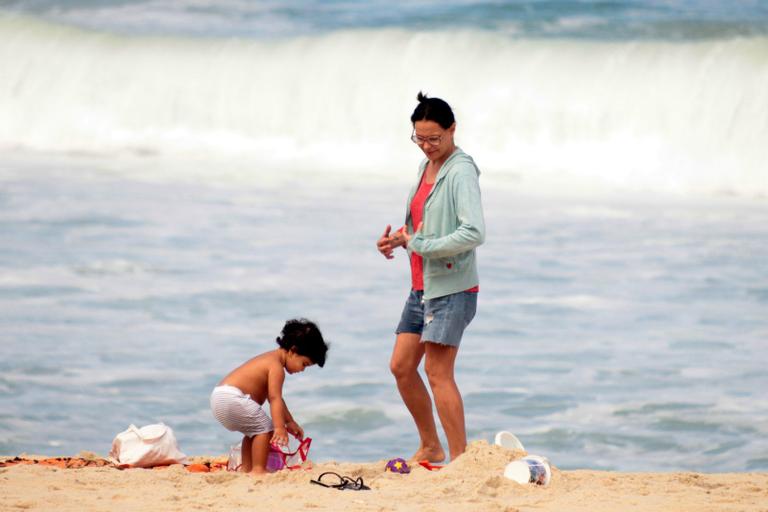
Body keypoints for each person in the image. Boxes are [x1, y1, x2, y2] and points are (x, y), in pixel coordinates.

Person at [377, 92, 485, 463]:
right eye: (419, 138)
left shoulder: (461, 171)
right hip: (421, 287)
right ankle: (430, 445)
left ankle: (460, 459)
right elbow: (422, 226)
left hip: (453, 288)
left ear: (453, 129)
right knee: (402, 367)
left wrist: (419, 242)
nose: (426, 146)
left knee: (438, 372)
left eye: (434, 138)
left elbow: (474, 232)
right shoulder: (426, 167)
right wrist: (399, 239)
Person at [210, 318, 328, 474]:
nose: (302, 370)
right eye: (304, 364)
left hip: (219, 397)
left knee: (253, 432)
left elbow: (276, 398)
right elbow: (274, 399)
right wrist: (279, 428)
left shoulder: (268, 359)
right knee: (264, 429)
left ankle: (247, 469)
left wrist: (290, 421)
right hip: (232, 398)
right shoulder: (276, 367)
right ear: (292, 351)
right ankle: (259, 469)